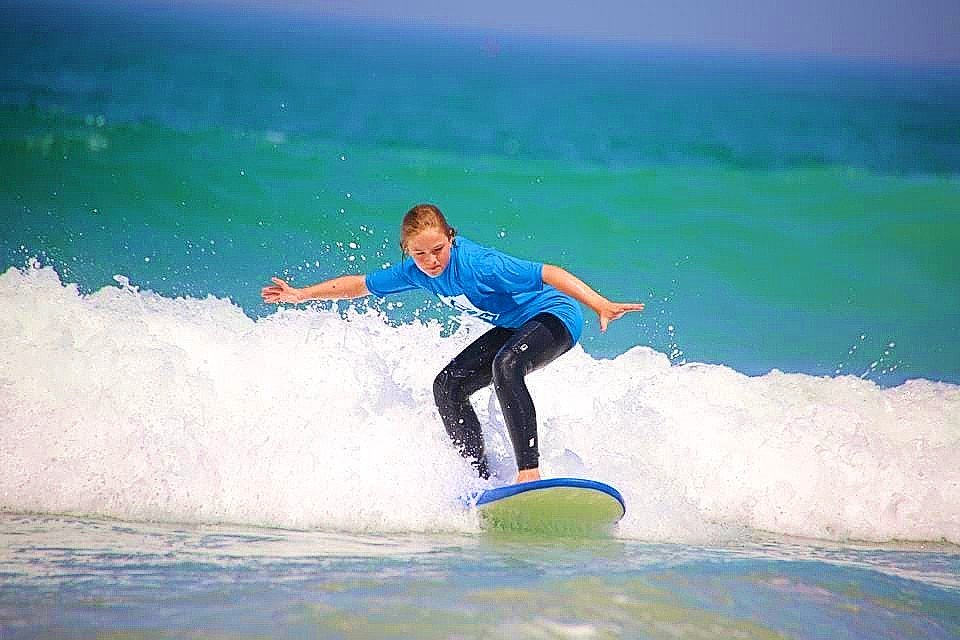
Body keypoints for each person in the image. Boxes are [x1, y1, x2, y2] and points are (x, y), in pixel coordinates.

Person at [261, 204, 644, 484]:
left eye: (437, 250)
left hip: (556, 317)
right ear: (407, 251)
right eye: (419, 253)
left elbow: (551, 273)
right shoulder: (415, 271)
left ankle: (529, 471)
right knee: (447, 386)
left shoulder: (479, 264)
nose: (430, 261)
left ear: (451, 239)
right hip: (514, 325)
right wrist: (299, 295)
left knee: (506, 367)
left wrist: (600, 304)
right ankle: (479, 479)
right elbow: (358, 284)